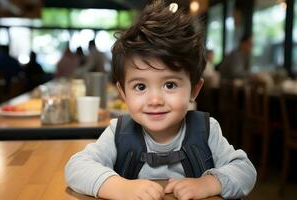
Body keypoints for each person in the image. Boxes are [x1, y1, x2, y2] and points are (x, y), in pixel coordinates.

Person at [65, 1, 256, 200]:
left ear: (194, 89)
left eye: (170, 85)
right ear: (123, 93)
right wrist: (120, 188)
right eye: (140, 87)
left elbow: (245, 170)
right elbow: (76, 167)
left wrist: (208, 184)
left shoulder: (206, 130)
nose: (155, 100)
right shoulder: (119, 132)